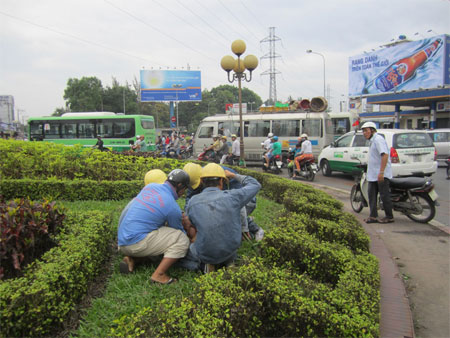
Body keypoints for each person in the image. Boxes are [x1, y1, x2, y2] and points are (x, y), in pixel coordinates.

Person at [180, 163, 261, 273]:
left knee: (182, 256)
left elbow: (192, 226)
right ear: (222, 181)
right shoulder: (234, 196)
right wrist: (234, 175)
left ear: (202, 181)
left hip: (205, 253)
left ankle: (203, 265)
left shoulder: (192, 202)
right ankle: (229, 261)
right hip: (231, 250)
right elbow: (255, 184)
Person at [117, 169, 191, 284]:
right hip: (136, 243)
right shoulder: (172, 206)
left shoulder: (150, 187)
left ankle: (132, 259)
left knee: (159, 235)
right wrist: (191, 236)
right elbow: (178, 230)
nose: (183, 193)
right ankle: (159, 275)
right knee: (181, 240)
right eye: (184, 189)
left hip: (122, 242)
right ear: (180, 186)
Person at [361, 122, 394, 224]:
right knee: (371, 195)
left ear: (372, 130)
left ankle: (389, 216)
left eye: (366, 130)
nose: (364, 133)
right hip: (373, 175)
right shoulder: (372, 140)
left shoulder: (378, 139)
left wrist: (381, 172)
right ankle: (373, 216)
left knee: (384, 195)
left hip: (380, 174)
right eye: (363, 131)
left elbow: (384, 155)